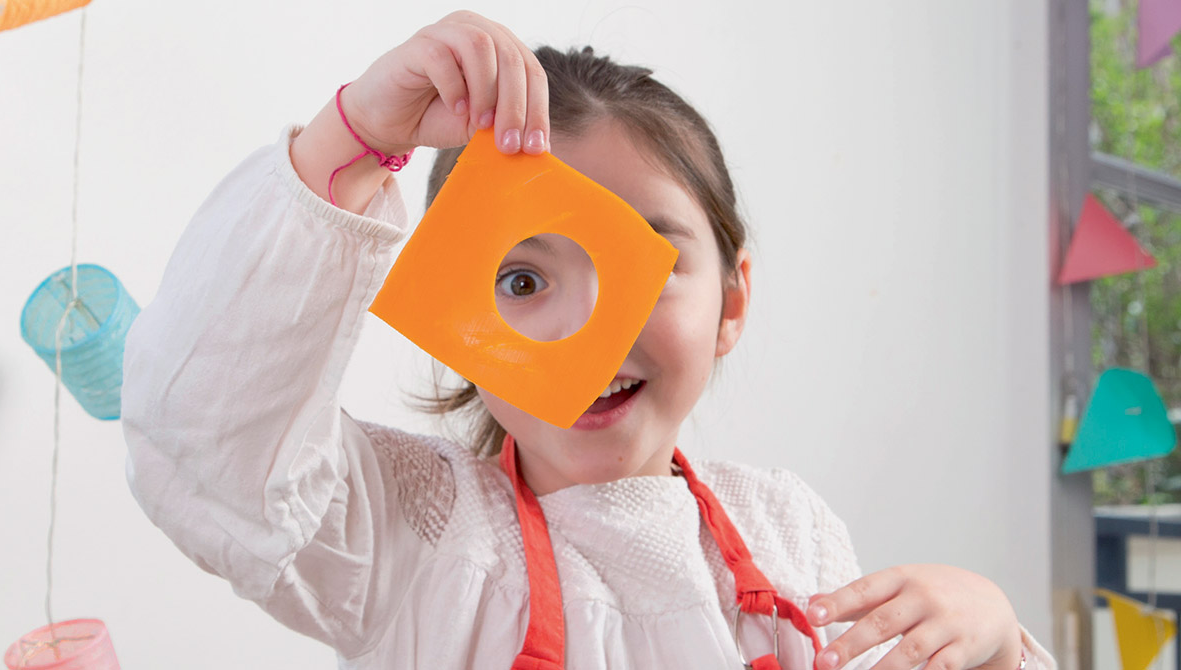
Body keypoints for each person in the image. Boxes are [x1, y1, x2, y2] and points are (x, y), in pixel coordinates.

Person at [121, 11, 1057, 670]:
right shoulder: (413, 532)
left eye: (646, 258)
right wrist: (355, 136)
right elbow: (203, 433)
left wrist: (996, 644)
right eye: (520, 281)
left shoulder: (792, 533)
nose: (584, 325)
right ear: (460, 324)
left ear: (733, 300)